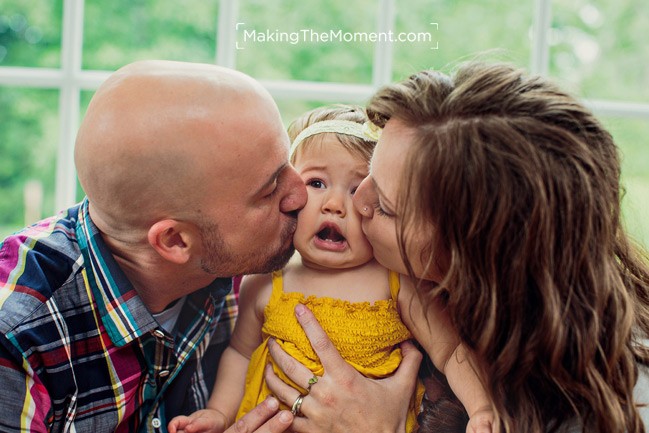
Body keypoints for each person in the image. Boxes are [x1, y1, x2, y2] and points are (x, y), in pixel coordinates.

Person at [261, 61, 649, 433]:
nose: (357, 203)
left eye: (386, 207)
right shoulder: (398, 290)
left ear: (474, 257)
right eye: (372, 175)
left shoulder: (614, 406)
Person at [0, 60, 307, 432]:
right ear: (175, 241)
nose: (301, 193)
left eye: (287, 162)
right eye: (271, 189)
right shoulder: (16, 337)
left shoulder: (261, 268)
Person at [168, 105, 495, 433]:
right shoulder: (266, 282)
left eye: (356, 189)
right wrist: (218, 413)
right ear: (289, 193)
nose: (334, 204)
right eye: (316, 183)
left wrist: (480, 406)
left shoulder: (398, 283)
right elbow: (239, 355)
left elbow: (451, 350)